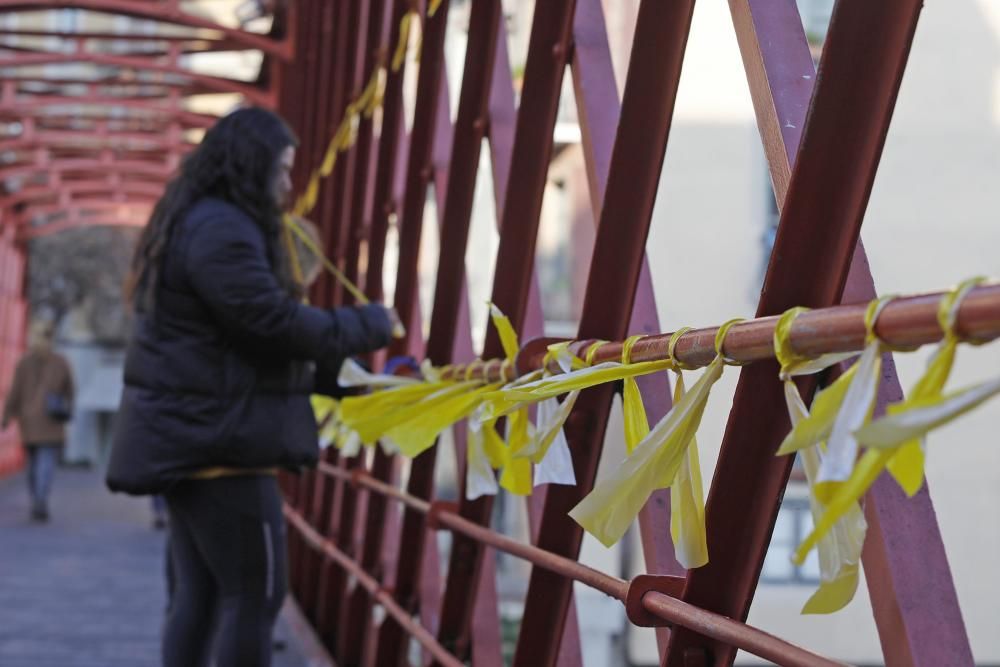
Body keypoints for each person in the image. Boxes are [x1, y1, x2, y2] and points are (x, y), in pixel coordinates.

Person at [105, 107, 394, 667]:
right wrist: (367, 325)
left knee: (203, 595)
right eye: (282, 170)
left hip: (200, 433)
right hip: (220, 445)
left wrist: (334, 378)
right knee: (255, 596)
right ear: (251, 165)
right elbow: (270, 324)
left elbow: (231, 344)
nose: (289, 186)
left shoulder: (200, 219)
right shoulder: (222, 228)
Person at [2, 320, 75, 522]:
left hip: (29, 422)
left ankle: (37, 498)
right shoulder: (61, 361)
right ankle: (41, 499)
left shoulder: (24, 362)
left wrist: (7, 415)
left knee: (34, 464)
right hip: (52, 421)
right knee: (46, 463)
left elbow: (14, 392)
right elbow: (70, 392)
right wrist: (68, 410)